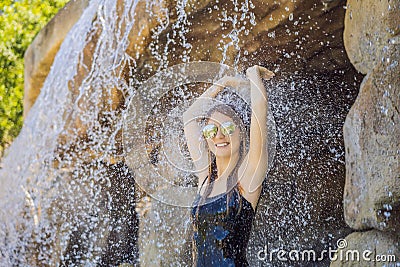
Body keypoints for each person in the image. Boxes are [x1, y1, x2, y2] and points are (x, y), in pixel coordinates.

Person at [182, 65, 274, 266]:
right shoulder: (205, 178)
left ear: (241, 133)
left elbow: (260, 111)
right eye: (210, 129)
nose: (219, 136)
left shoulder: (247, 176)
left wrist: (252, 75)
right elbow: (189, 117)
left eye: (227, 127)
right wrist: (223, 83)